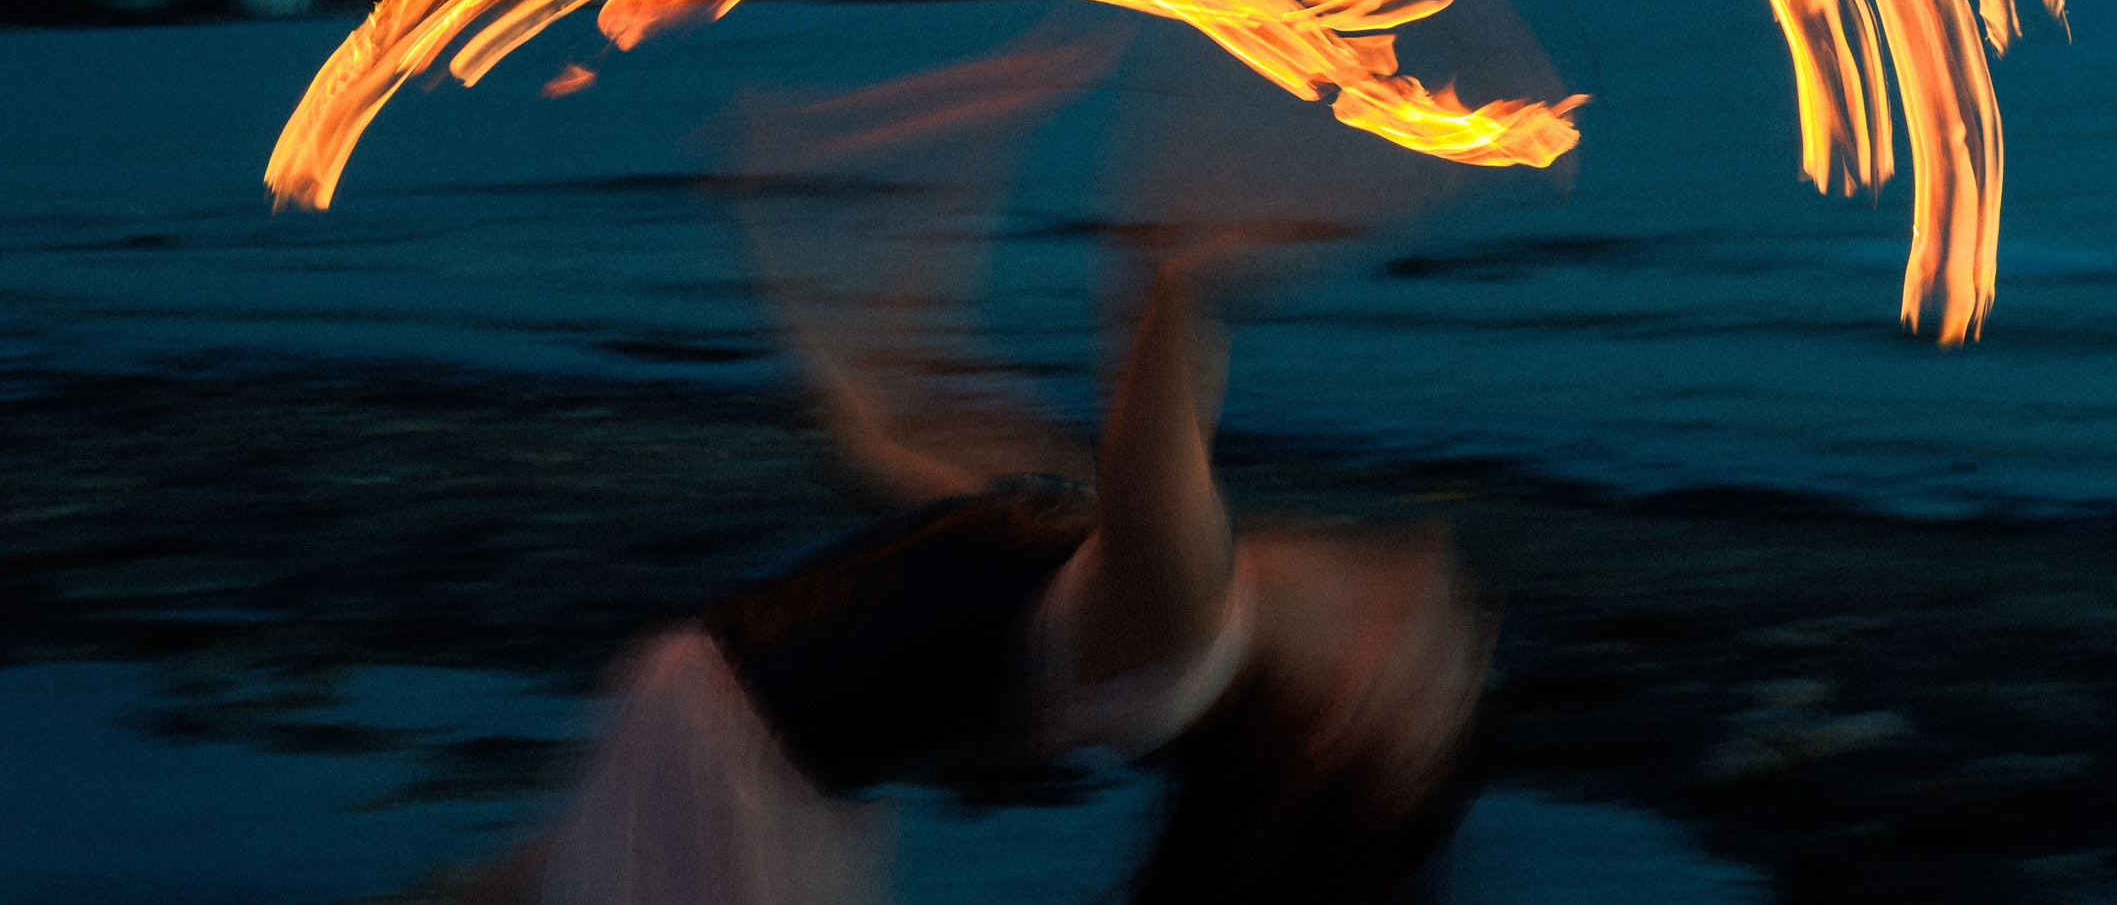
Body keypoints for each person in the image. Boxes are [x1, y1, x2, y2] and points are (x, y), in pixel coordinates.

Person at [461, 252, 1493, 904]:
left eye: (1401, 628)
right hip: (727, 750)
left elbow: (1155, 424)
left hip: (729, 768)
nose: (1402, 564)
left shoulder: (1184, 622)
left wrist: (1200, 264)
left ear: (1321, 707)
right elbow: (903, 447)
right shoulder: (1140, 609)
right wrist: (828, 270)